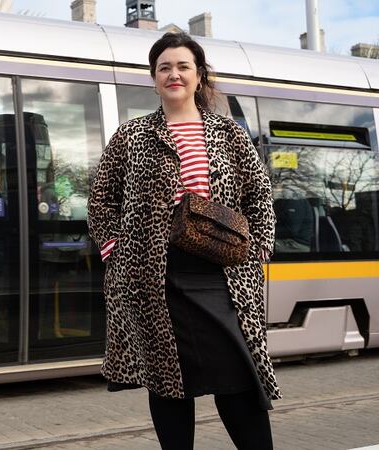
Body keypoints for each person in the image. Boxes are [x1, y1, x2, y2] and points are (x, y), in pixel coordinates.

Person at [87, 32, 279, 450]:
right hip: (154, 280)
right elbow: (101, 199)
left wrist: (259, 247)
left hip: (221, 274)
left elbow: (259, 194)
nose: (173, 74)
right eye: (164, 68)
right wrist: (115, 252)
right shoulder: (131, 135)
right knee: (168, 385)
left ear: (199, 75)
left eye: (183, 66)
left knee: (238, 381)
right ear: (154, 78)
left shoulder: (228, 134)